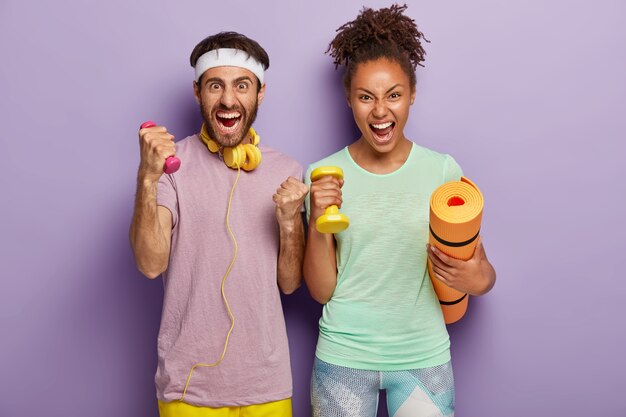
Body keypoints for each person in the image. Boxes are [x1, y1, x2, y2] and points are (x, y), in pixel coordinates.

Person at [304, 5, 496, 417]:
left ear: (411, 94)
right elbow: (321, 291)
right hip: (344, 356)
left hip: (422, 355)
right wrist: (318, 223)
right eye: (365, 97)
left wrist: (474, 278)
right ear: (349, 99)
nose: (380, 111)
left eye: (393, 95)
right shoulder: (322, 176)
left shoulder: (443, 171)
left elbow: (481, 274)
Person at [129, 31, 308, 417]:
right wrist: (147, 176)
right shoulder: (170, 167)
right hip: (188, 388)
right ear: (198, 92)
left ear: (260, 93)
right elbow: (150, 263)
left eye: (242, 85)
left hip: (267, 383)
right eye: (216, 86)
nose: (228, 100)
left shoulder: (287, 171)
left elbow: (291, 283)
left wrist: (291, 222)